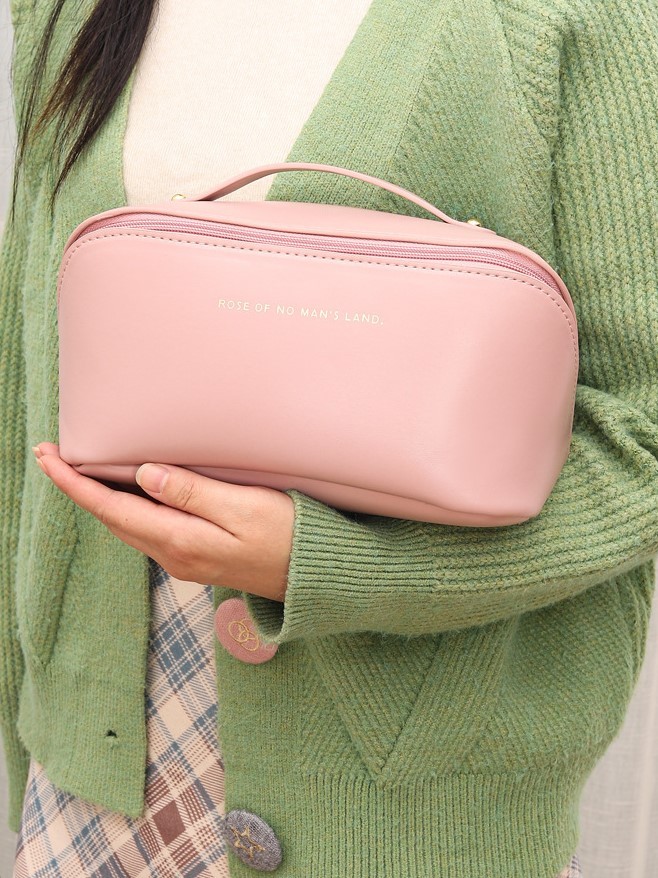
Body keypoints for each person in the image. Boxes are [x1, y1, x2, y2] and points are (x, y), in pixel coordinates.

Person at [2, 0, 657, 875]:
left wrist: (331, 566)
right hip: (93, 790)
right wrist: (30, 739)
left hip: (409, 818)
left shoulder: (578, 17)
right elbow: (26, 376)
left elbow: (644, 434)